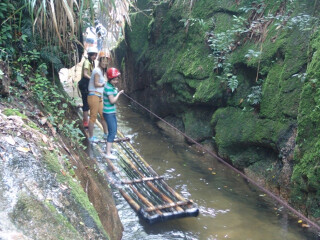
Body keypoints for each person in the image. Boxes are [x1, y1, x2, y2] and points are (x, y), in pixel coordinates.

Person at [87, 51, 110, 142]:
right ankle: (91, 137)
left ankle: (106, 134)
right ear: (100, 61)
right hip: (93, 96)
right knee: (93, 117)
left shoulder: (101, 71)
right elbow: (96, 84)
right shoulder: (97, 70)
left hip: (99, 96)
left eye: (106, 61)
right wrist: (104, 84)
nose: (105, 62)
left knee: (103, 116)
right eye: (103, 60)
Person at [103, 68, 124, 159]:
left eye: (117, 79)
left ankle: (108, 148)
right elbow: (112, 101)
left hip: (109, 112)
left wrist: (116, 90)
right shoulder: (109, 88)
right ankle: (108, 153)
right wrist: (119, 94)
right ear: (110, 79)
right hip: (109, 113)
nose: (116, 81)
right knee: (112, 132)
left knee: (113, 131)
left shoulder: (109, 86)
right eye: (114, 79)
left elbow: (111, 92)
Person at [78, 47, 98, 128]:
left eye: (95, 55)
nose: (94, 56)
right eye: (93, 55)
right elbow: (85, 74)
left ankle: (86, 119)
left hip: (88, 84)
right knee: (86, 104)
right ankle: (85, 122)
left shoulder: (92, 62)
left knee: (89, 102)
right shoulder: (87, 62)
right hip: (84, 84)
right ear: (89, 55)